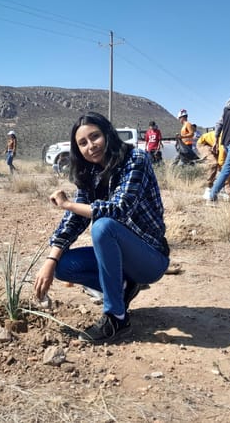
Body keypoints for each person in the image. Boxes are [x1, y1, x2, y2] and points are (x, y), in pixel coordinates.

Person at [33, 112, 170, 344]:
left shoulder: (136, 158)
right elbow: (74, 219)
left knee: (103, 226)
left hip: (150, 258)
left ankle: (116, 318)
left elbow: (119, 209)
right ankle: (125, 287)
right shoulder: (90, 172)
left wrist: (68, 203)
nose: (90, 146)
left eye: (94, 136)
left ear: (107, 133)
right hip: (124, 260)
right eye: (82, 143)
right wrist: (51, 259)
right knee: (64, 266)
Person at [197, 130, 230, 200]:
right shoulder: (224, 139)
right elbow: (221, 161)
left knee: (228, 168)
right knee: (213, 163)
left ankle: (224, 190)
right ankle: (208, 189)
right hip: (204, 144)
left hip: (215, 145)